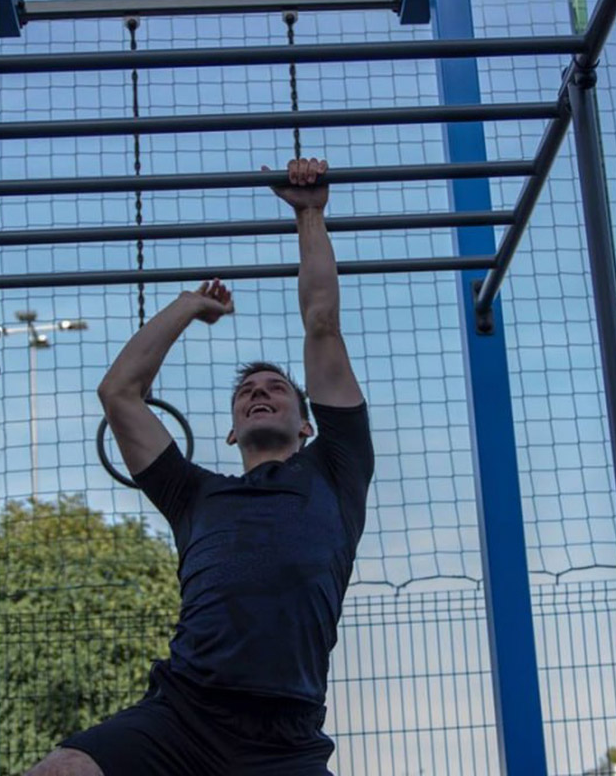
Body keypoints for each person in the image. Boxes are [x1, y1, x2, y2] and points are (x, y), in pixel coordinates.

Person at [26, 158, 373, 776]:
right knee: (63, 769)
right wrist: (189, 305)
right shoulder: (194, 494)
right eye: (247, 391)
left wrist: (310, 214)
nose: (260, 391)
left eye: (276, 387)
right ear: (232, 430)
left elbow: (322, 323)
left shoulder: (337, 470)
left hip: (285, 736)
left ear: (307, 423)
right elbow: (119, 393)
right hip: (184, 715)